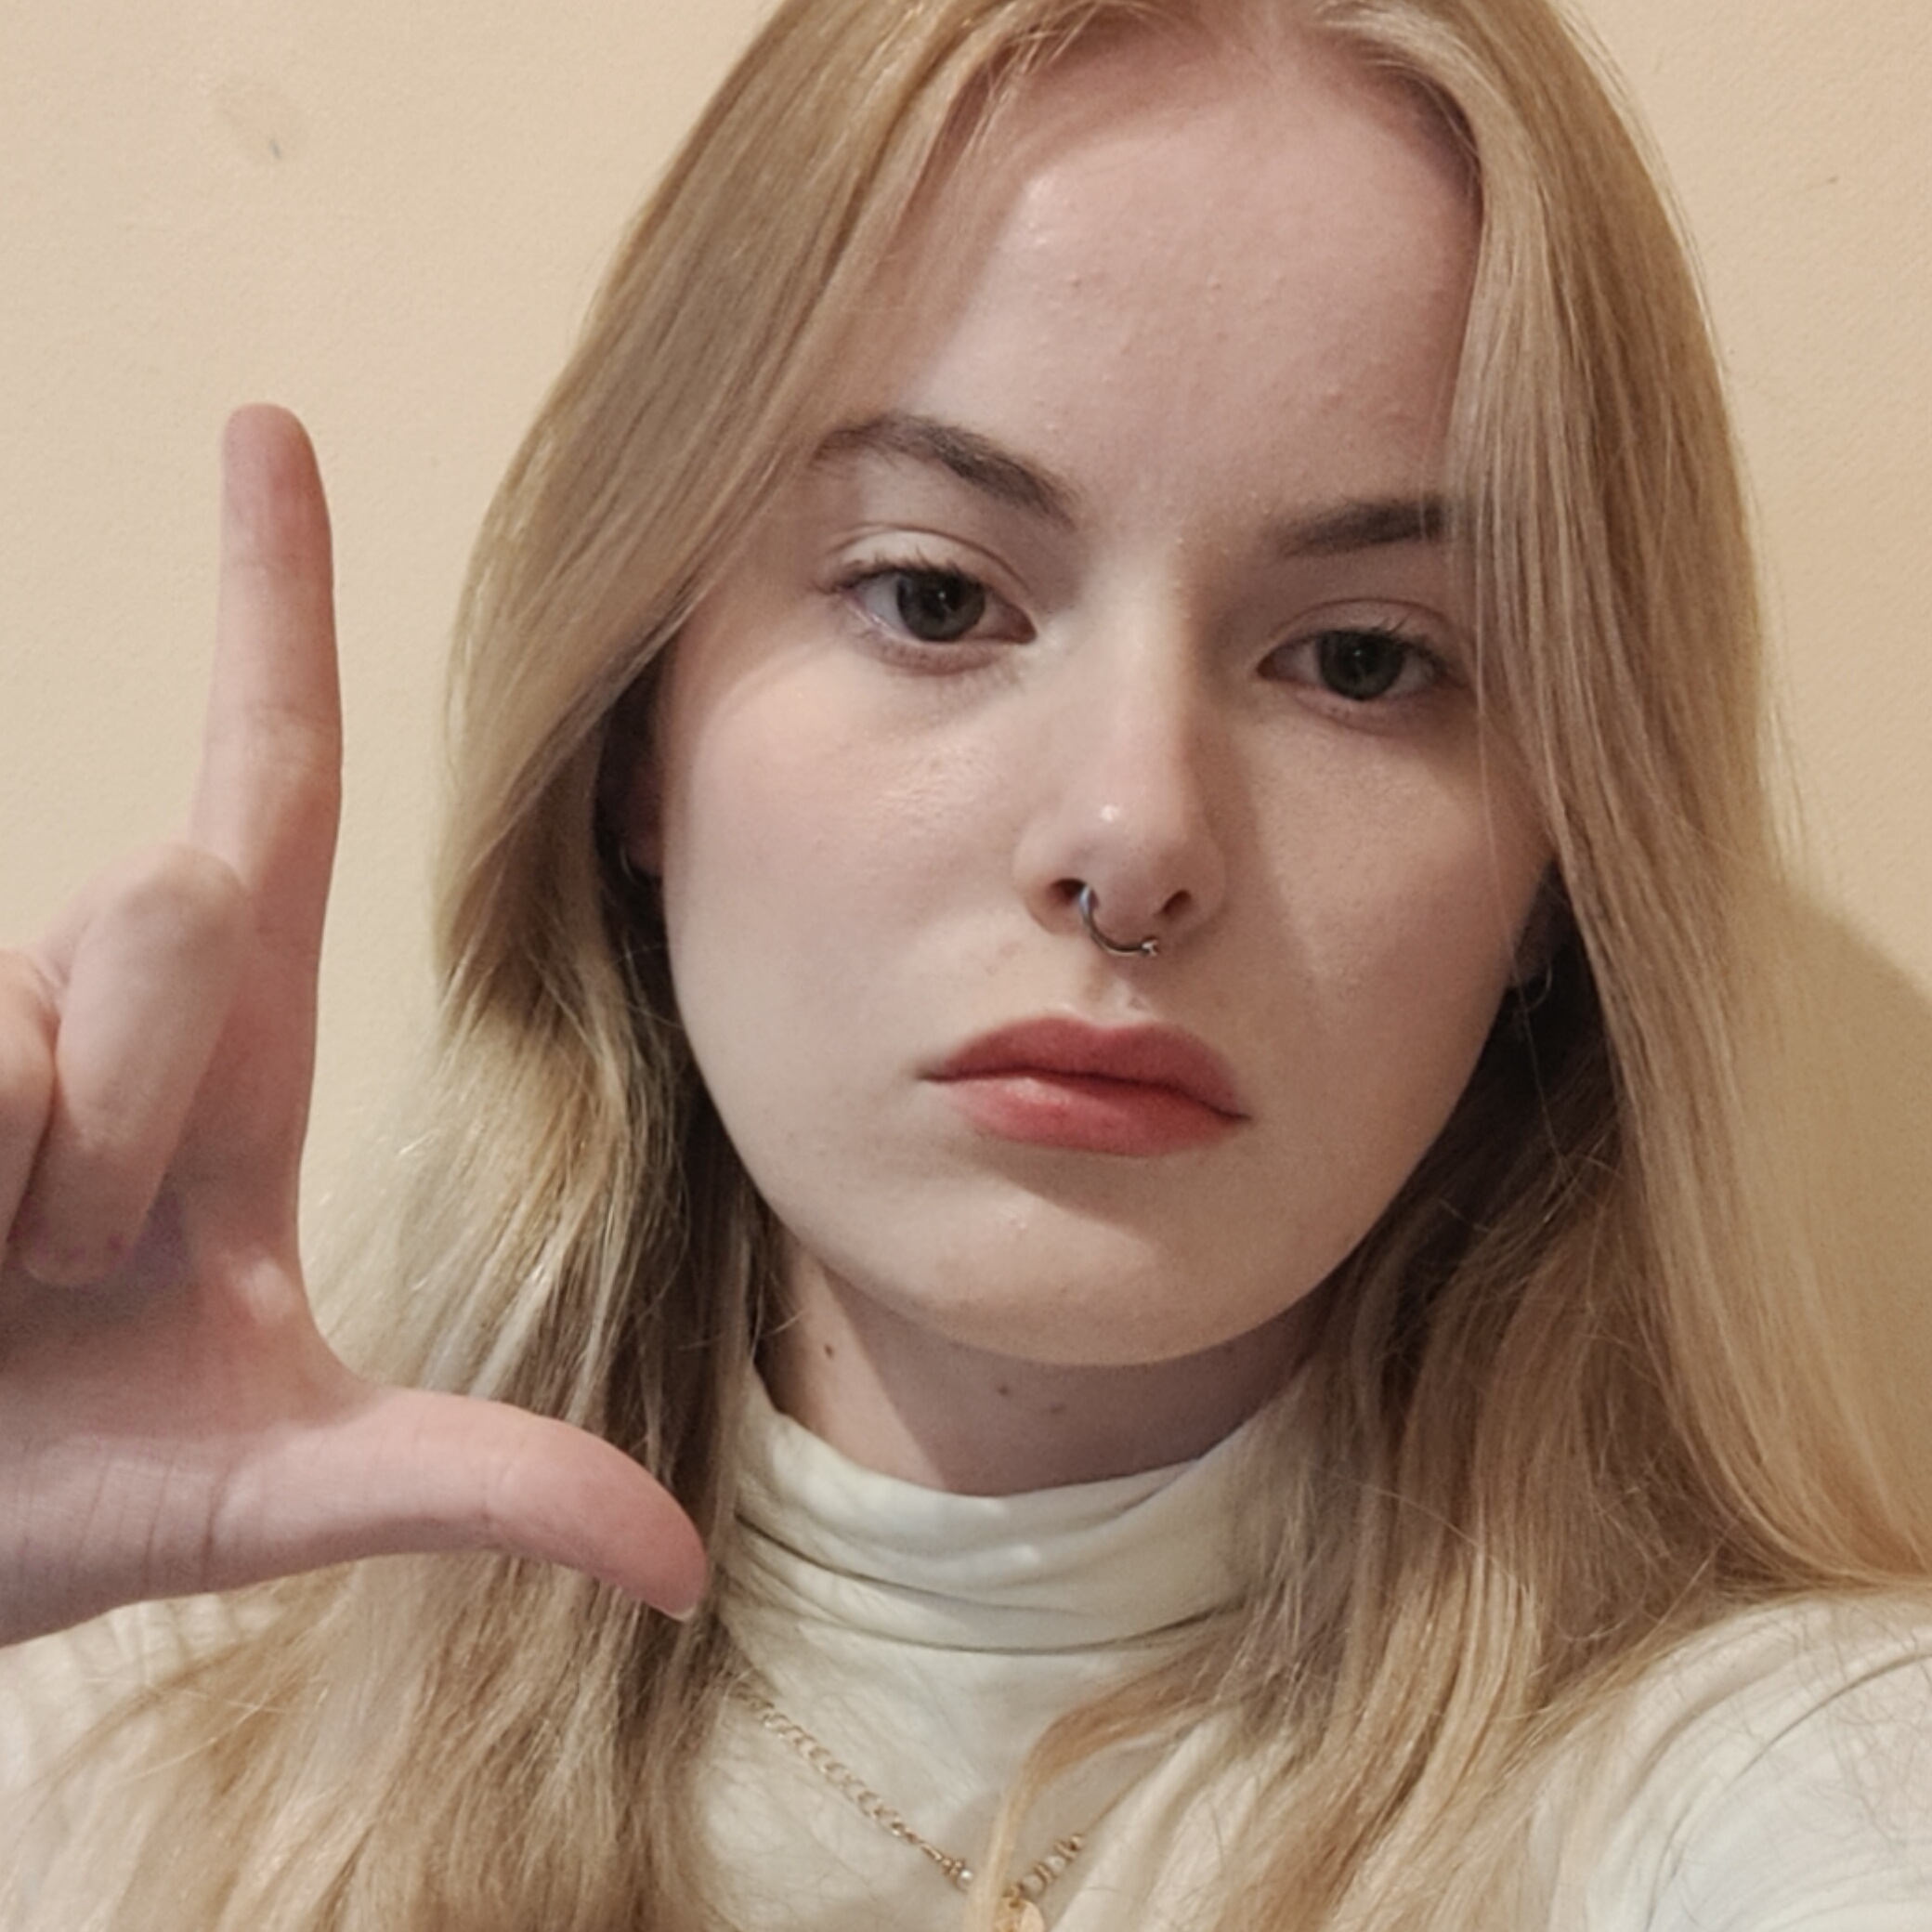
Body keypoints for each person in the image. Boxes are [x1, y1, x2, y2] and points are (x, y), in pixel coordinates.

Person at [4, 0, 1930, 1925]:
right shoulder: (99, 1763)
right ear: (635, 739)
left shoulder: (1795, 1778)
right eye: (933, 597)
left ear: (1561, 864)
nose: (1133, 837)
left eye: (1363, 660)